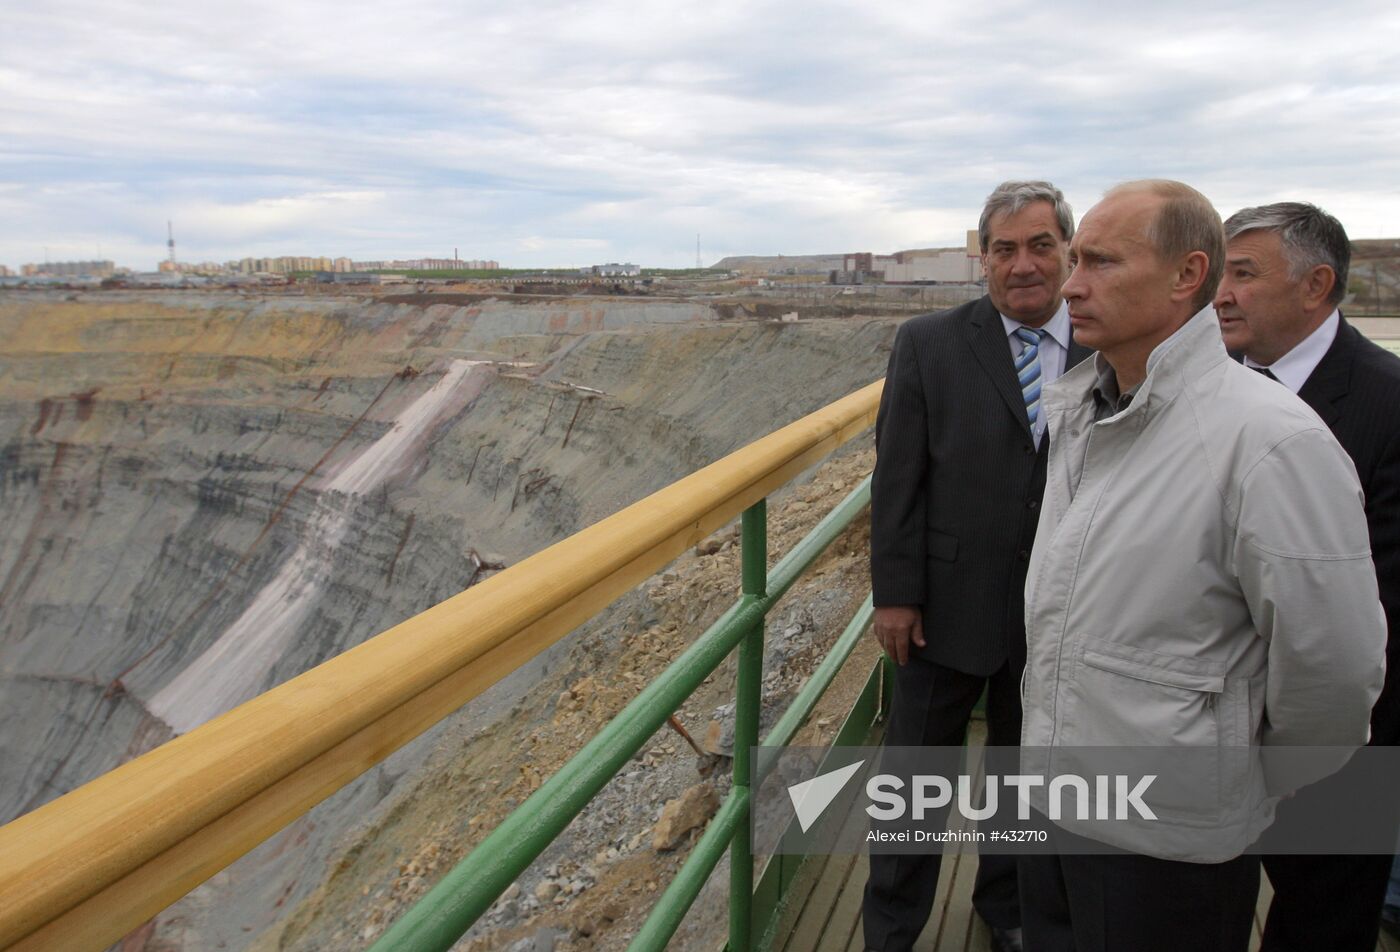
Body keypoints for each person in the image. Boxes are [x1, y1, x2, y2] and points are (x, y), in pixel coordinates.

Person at [1018, 180, 1386, 952]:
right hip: (1057, 802)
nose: (1071, 284)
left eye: (1102, 262)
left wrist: (1239, 781)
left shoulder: (1272, 441)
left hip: (1165, 842)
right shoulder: (1085, 411)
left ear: (1188, 276)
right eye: (1075, 259)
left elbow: (1334, 669)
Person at [865, 180, 1091, 952]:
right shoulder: (930, 342)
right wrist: (895, 595)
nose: (1022, 265)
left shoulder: (1109, 342)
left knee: (1024, 776)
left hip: (1060, 613)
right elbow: (897, 478)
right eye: (1004, 249)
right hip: (943, 608)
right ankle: (891, 927)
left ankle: (1008, 908)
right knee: (913, 783)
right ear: (983, 259)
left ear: (1068, 250)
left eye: (1039, 246)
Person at [1214, 201, 1400, 952]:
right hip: (1214, 714)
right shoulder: (1208, 389)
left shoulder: (1388, 402)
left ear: (1316, 285)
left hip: (1347, 733)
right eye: (1221, 272)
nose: (1220, 291)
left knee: (1325, 909)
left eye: (1244, 274)